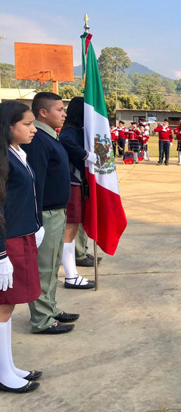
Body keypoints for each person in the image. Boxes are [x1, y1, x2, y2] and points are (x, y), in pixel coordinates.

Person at [22, 92, 78, 334]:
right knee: (43, 267)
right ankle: (42, 319)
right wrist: (36, 220)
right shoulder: (37, 141)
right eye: (59, 109)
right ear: (43, 113)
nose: (64, 114)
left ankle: (50, 307)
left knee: (53, 264)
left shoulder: (49, 137)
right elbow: (36, 184)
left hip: (56, 212)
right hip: (45, 213)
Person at [0, 101, 42, 393]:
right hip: (8, 241)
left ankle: (8, 365)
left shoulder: (16, 153)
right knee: (3, 307)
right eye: (27, 124)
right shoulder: (2, 157)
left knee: (9, 307)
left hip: (22, 235)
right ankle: (3, 373)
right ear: (9, 127)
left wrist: (35, 225)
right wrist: (1, 253)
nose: (33, 129)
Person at [58, 97, 96, 289]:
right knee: (70, 229)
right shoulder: (71, 130)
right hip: (72, 182)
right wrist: (85, 155)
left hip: (77, 182)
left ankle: (73, 270)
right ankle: (71, 275)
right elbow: (66, 141)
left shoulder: (78, 129)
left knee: (73, 229)